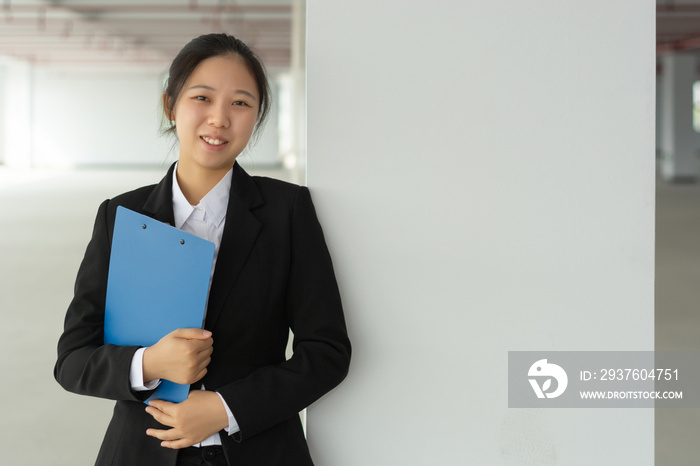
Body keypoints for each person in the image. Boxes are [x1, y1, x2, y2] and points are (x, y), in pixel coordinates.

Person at [54, 33, 351, 466]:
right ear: (170, 105)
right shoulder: (119, 215)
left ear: (257, 117)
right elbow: (73, 359)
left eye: (241, 103)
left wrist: (225, 408)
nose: (219, 119)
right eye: (202, 97)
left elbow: (326, 351)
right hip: (141, 453)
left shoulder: (288, 211)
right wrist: (149, 362)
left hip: (258, 451)